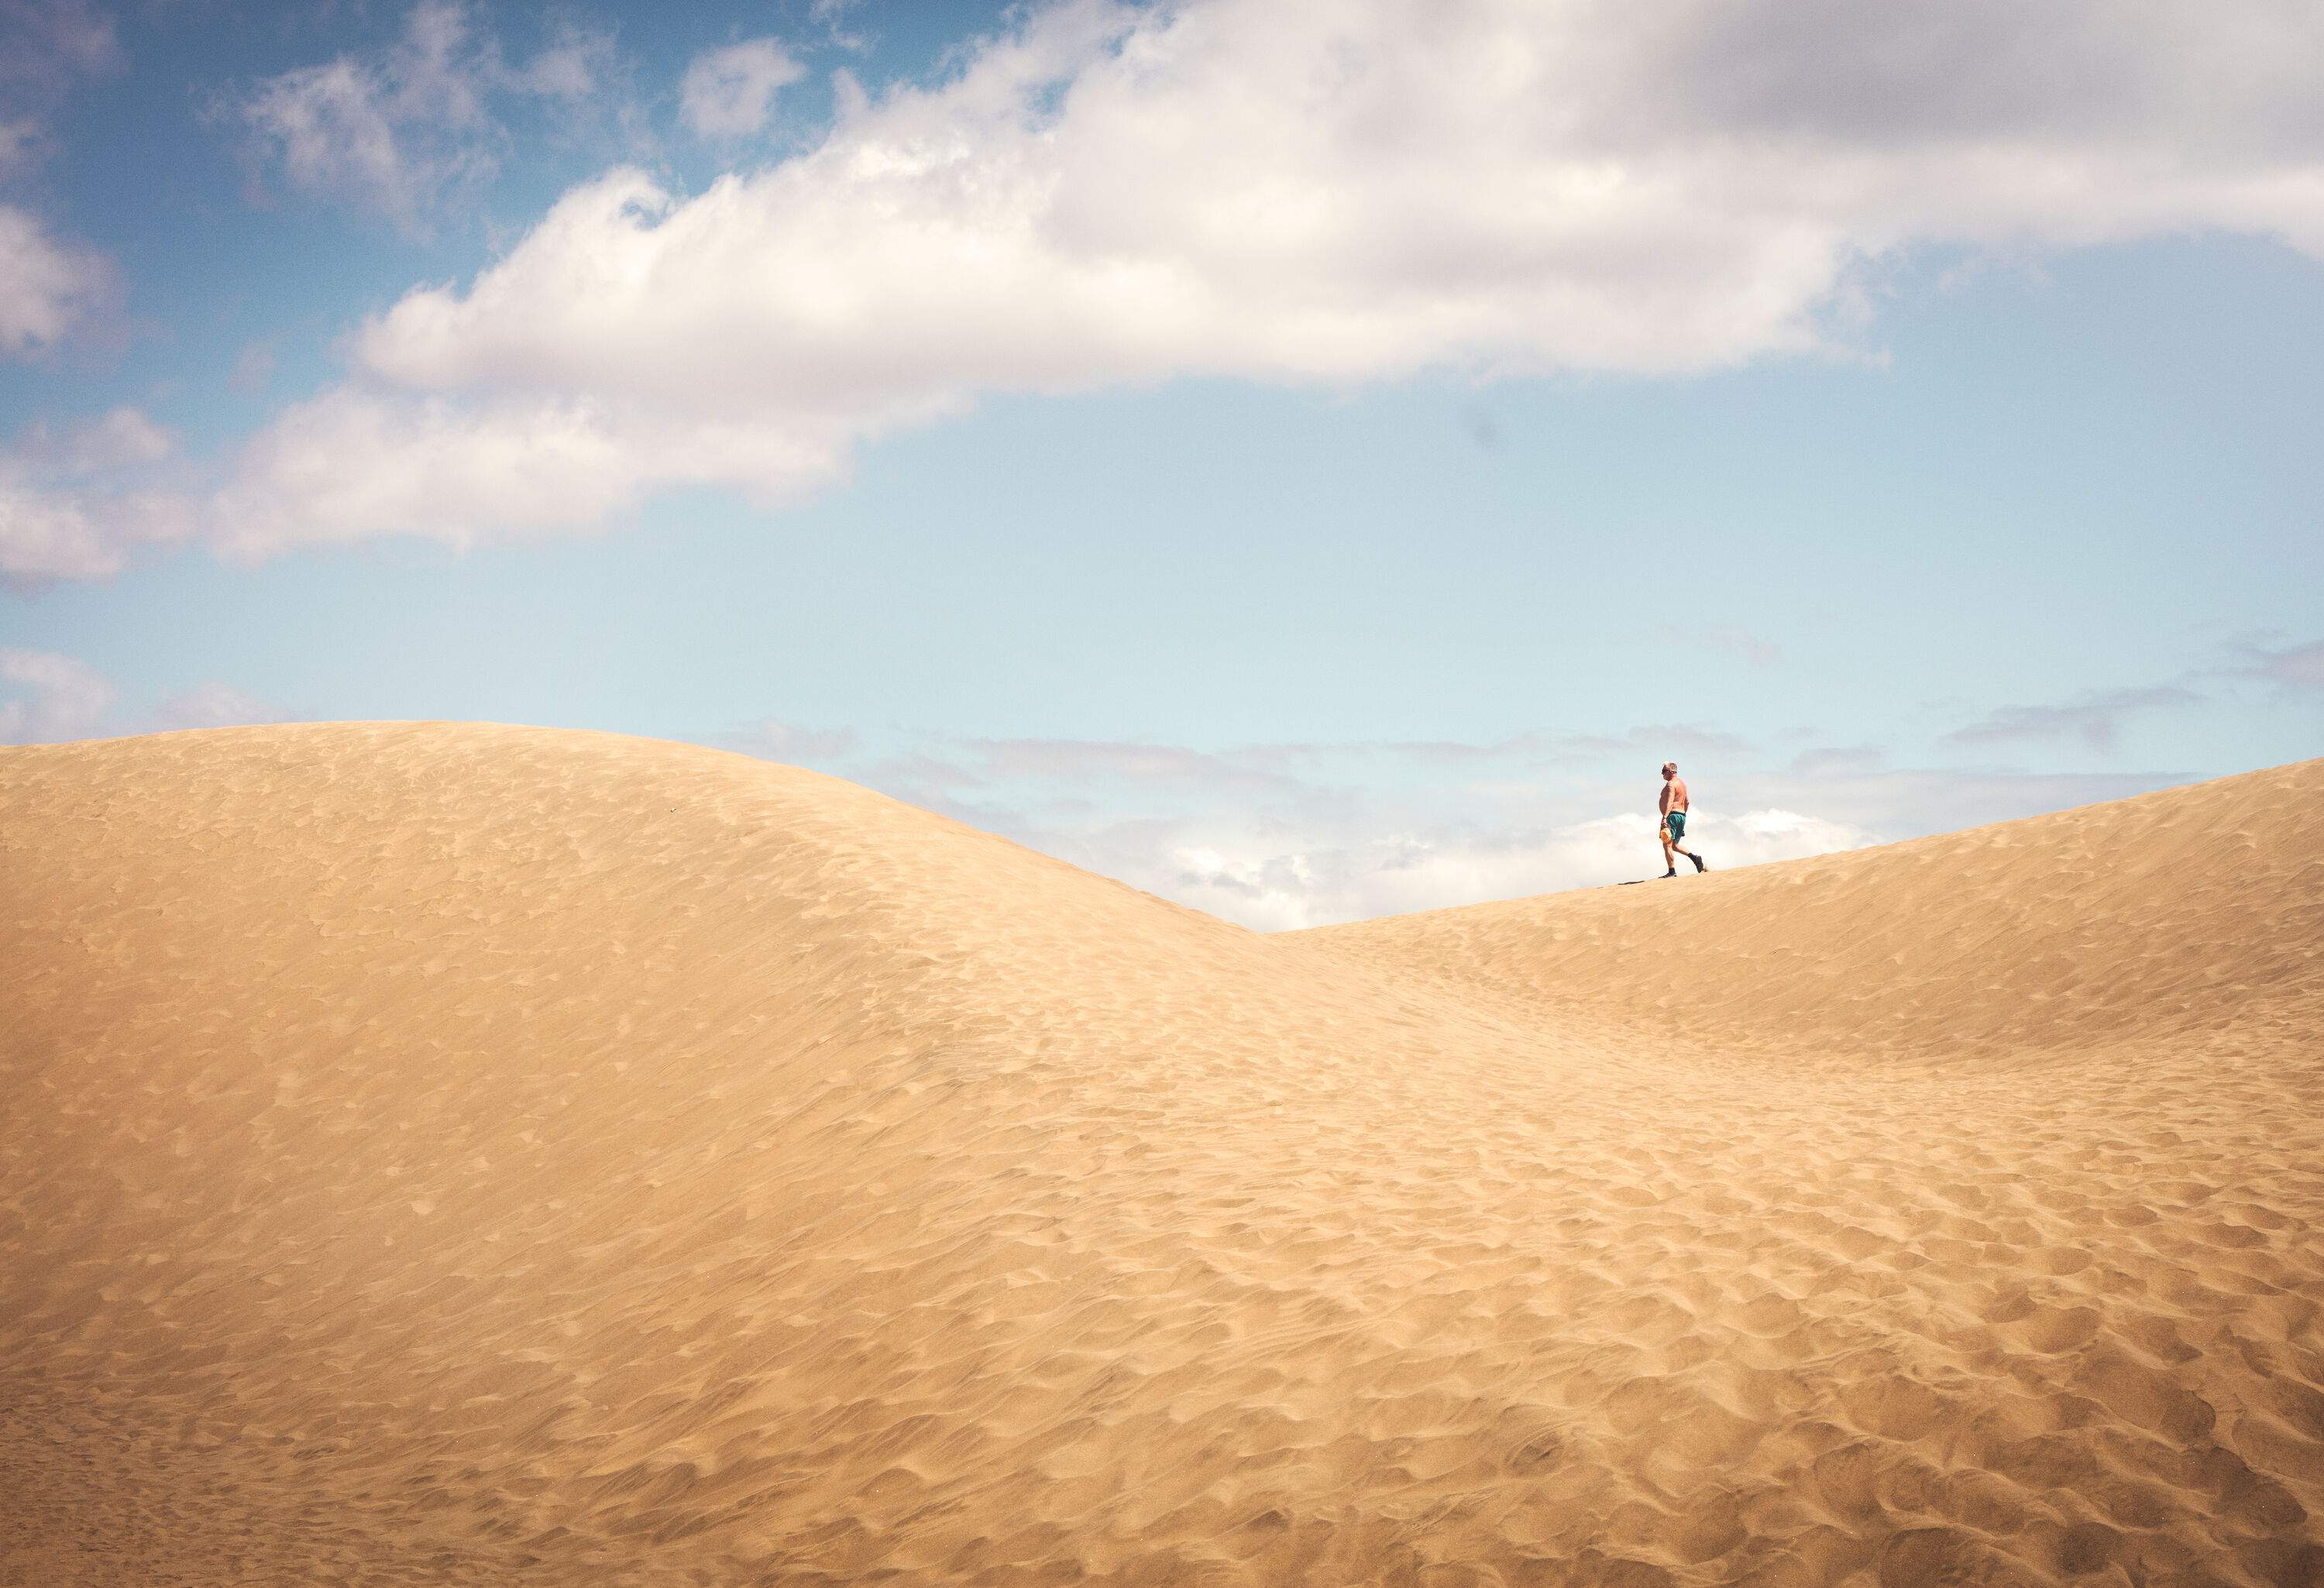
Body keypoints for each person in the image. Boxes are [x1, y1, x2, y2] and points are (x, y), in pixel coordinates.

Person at [1658, 761, 1707, 877]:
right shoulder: (1682, 784)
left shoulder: (1671, 784)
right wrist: (1682, 817)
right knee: (1674, 845)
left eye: (1663, 771)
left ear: (1671, 771)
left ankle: (1672, 872)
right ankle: (1695, 858)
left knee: (1667, 845)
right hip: (1681, 816)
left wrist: (1665, 817)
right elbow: (1687, 801)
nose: (1662, 774)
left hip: (1672, 816)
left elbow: (1670, 801)